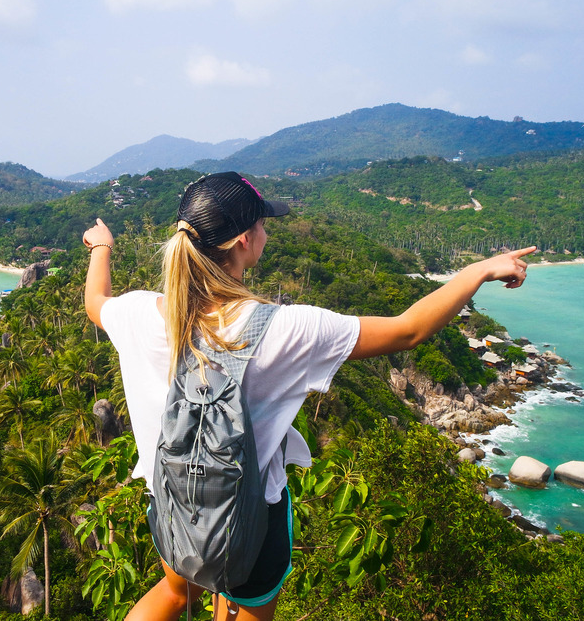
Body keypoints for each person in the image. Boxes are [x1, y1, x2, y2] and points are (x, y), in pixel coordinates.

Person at [82, 172, 534, 621]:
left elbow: (95, 300)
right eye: (262, 223)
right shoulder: (285, 328)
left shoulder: (139, 312)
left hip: (175, 506)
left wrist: (102, 246)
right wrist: (478, 271)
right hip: (252, 526)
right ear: (243, 240)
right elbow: (409, 329)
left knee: (177, 591)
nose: (266, 231)